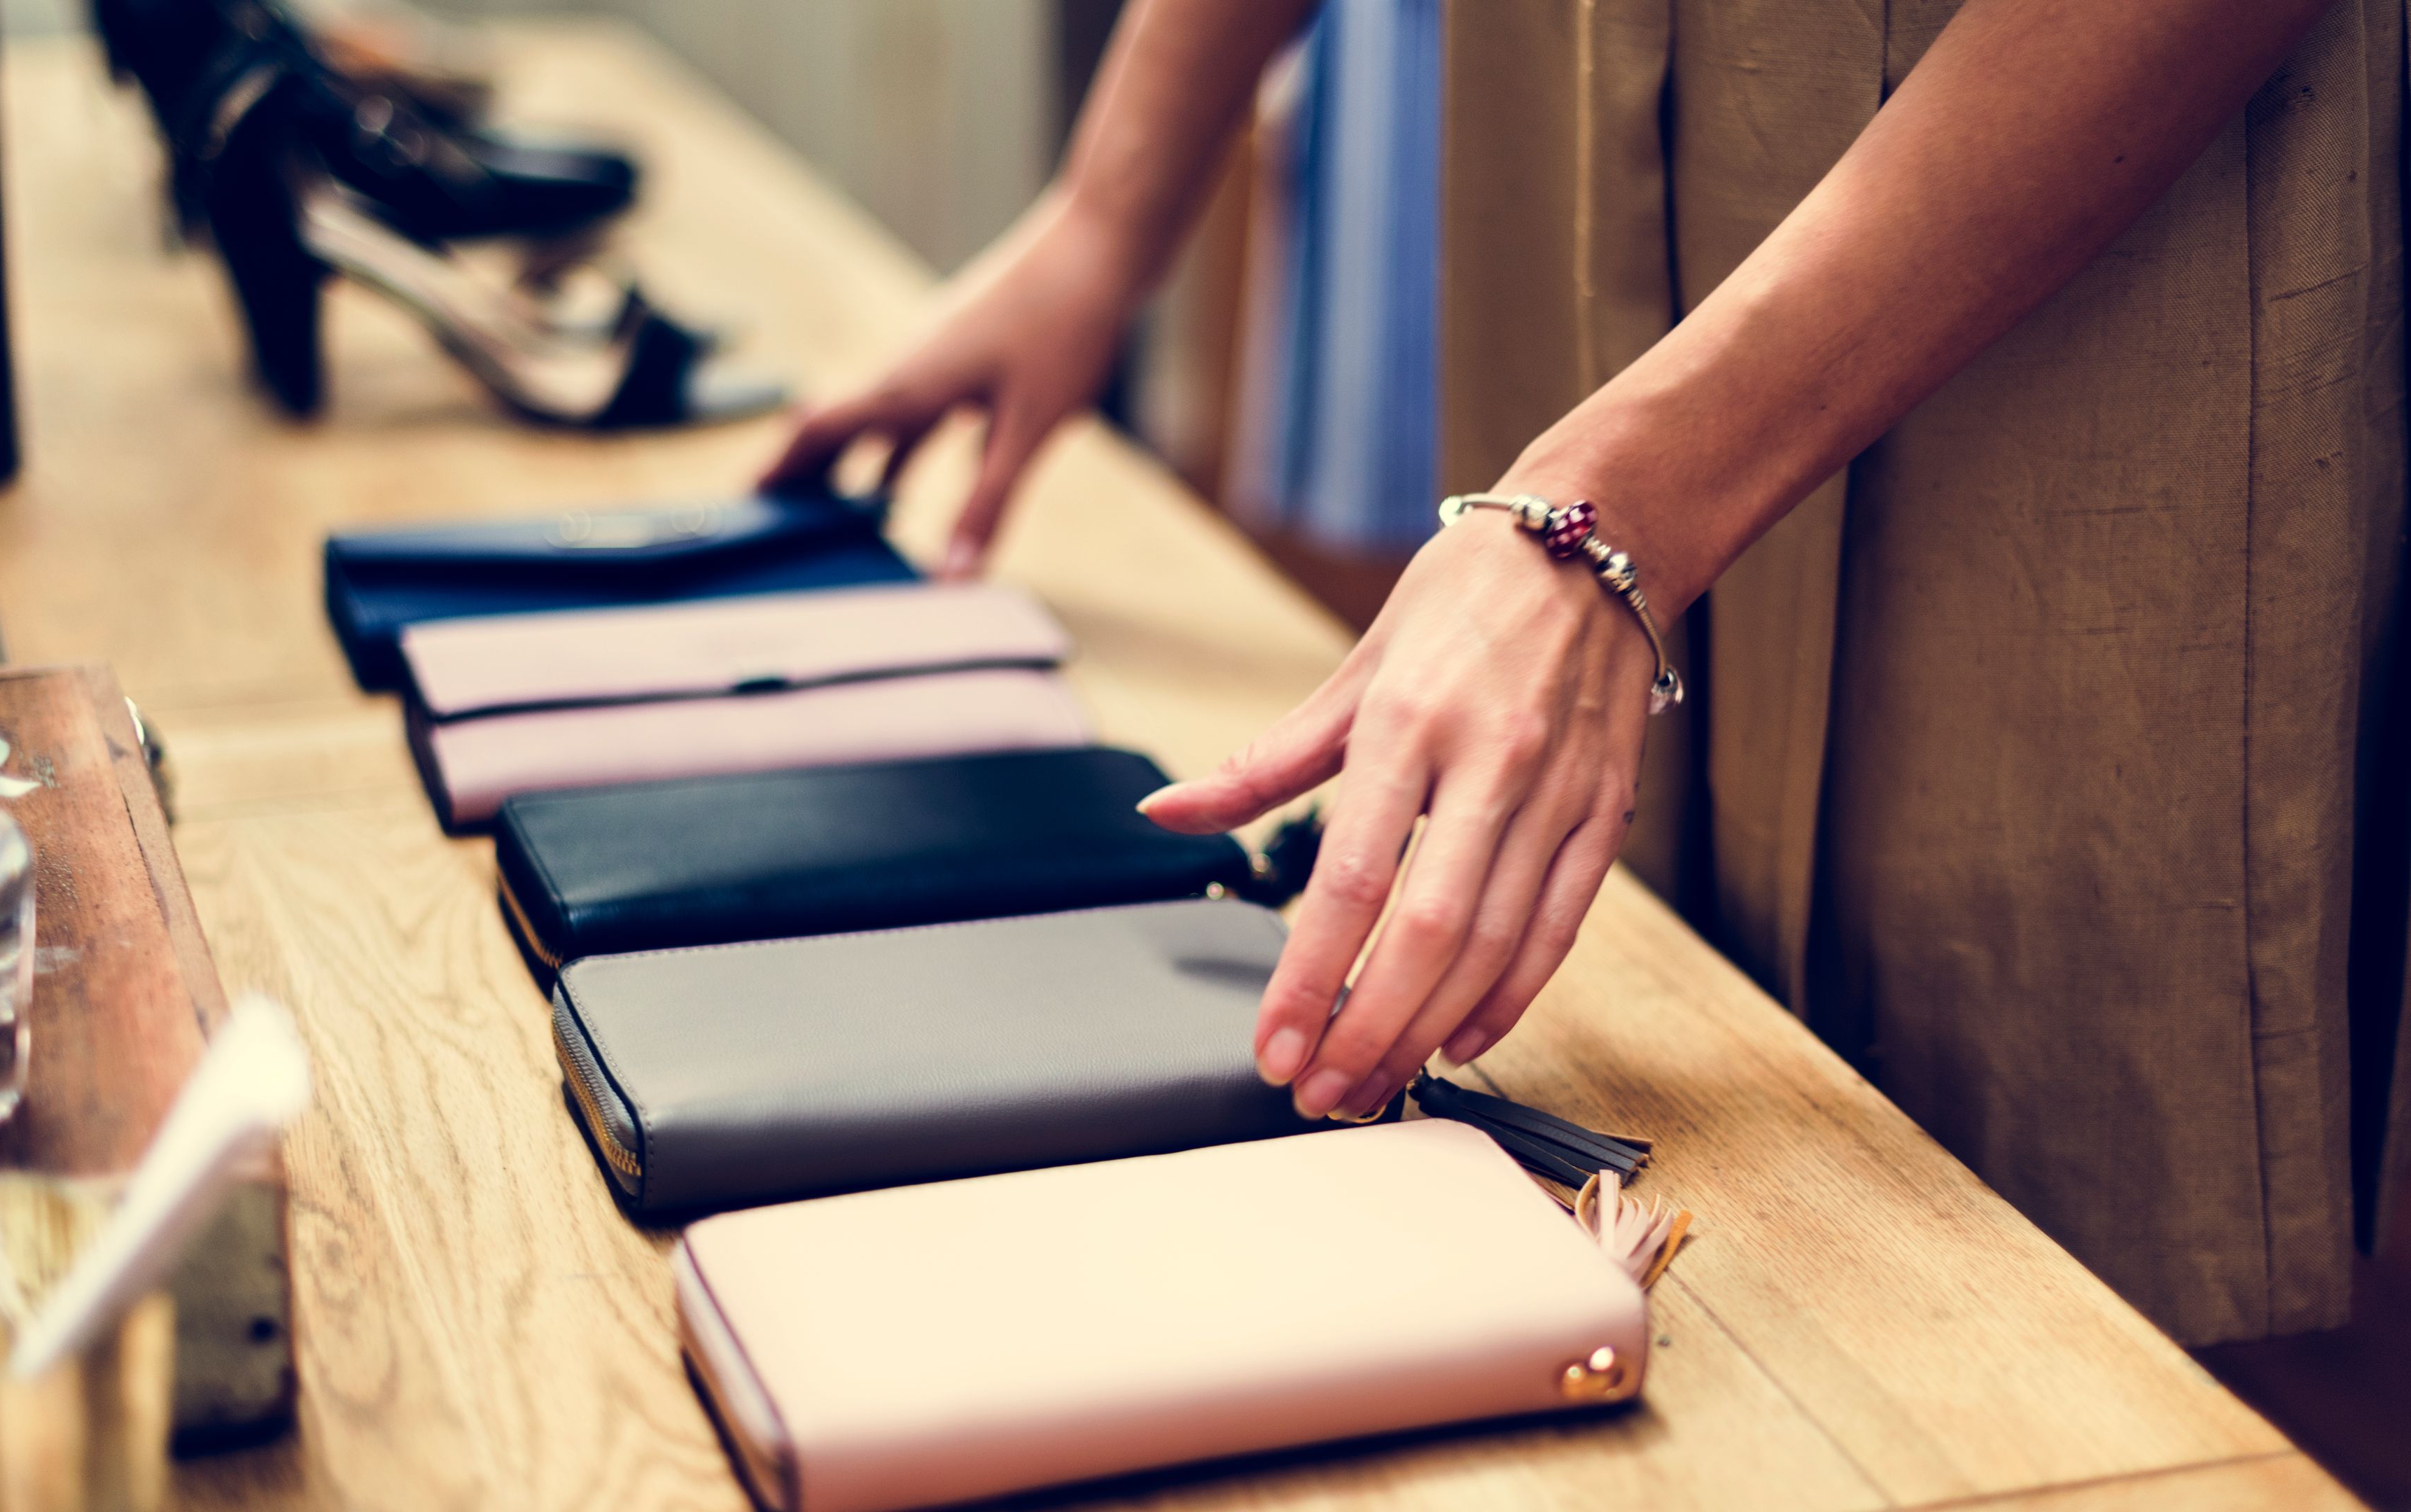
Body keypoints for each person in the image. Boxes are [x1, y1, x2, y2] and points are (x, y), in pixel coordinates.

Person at [764, 0, 2406, 1346]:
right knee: (1644, 1093)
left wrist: (1611, 512)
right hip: (1582, 127)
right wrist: (1108, 209)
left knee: (2004, 1241)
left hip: (2062, 171)